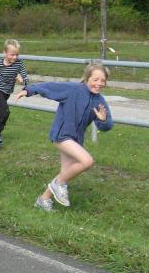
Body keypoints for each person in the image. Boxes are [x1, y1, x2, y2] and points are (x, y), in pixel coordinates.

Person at [13, 61, 114, 212]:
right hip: (62, 135)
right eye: (95, 79)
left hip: (75, 141)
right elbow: (49, 87)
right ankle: (57, 184)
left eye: (103, 81)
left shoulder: (99, 101)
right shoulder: (73, 89)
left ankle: (43, 200)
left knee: (65, 174)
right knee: (87, 161)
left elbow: (106, 126)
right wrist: (28, 90)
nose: (99, 83)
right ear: (87, 78)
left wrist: (103, 120)